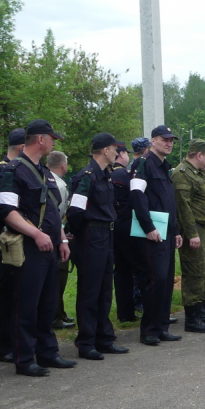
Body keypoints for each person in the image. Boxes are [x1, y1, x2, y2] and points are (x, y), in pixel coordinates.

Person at [0, 119, 74, 375]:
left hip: (49, 246)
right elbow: (6, 210)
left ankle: (47, 353)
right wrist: (36, 234)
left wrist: (60, 238)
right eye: (52, 138)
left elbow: (50, 208)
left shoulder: (42, 170)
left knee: (48, 303)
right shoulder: (14, 170)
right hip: (28, 246)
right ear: (40, 139)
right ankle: (25, 358)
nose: (53, 143)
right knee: (26, 304)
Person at [67, 132, 129, 359]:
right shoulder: (88, 176)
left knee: (105, 289)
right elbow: (75, 211)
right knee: (90, 290)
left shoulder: (105, 175)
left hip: (106, 235)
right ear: (105, 150)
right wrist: (82, 233)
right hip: (91, 236)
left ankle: (104, 338)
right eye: (115, 149)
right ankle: (86, 342)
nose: (117, 153)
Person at [129, 125, 183, 346]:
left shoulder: (164, 166)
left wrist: (176, 230)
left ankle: (161, 327)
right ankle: (149, 330)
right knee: (155, 280)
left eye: (171, 140)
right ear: (153, 141)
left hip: (167, 233)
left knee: (166, 281)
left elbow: (169, 202)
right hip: (151, 233)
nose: (169, 143)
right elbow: (136, 195)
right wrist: (148, 226)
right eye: (164, 139)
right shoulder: (143, 164)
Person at [173, 138, 205, 333]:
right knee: (194, 273)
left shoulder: (199, 173)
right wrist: (192, 233)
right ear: (199, 155)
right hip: (196, 230)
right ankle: (192, 316)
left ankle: (202, 310)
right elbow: (183, 207)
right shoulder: (183, 173)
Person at [0, 128, 25, 364]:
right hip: (9, 238)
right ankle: (5, 345)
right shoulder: (0, 170)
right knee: (9, 293)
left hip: (25, 238)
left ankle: (19, 341)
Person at [111, 138, 148, 323]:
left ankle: (125, 313)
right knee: (141, 268)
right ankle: (147, 308)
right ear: (123, 154)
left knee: (121, 271)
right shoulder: (125, 175)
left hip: (113, 227)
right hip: (128, 225)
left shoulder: (108, 173)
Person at [48, 150, 75, 331]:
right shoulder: (60, 185)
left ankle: (60, 313)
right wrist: (64, 236)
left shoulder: (44, 179)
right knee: (59, 277)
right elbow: (60, 214)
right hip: (58, 235)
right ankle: (56, 316)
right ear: (63, 166)